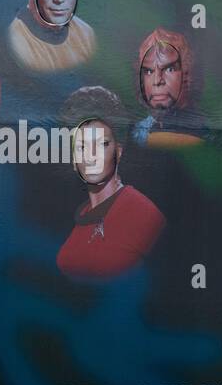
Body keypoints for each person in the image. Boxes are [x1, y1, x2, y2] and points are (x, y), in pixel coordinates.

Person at [55, 87, 165, 279]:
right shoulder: (82, 216)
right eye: (82, 146)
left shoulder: (143, 214)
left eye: (102, 144)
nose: (91, 156)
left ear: (119, 151)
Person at [131, 28, 208, 148]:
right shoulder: (140, 130)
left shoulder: (202, 130)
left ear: (188, 74)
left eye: (169, 69)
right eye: (148, 71)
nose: (157, 81)